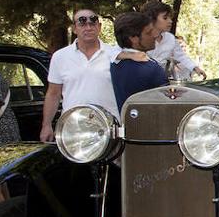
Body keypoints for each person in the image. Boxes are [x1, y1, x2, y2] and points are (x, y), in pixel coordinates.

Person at [40, 8, 146, 140]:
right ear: (74, 29)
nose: (88, 27)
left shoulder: (115, 54)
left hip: (109, 129)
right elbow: (53, 94)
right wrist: (46, 125)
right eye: (82, 24)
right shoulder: (60, 57)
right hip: (74, 130)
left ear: (99, 27)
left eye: (93, 23)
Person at [110, 12, 169, 109]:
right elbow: (167, 105)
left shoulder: (111, 63)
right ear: (133, 38)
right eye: (149, 32)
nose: (154, 35)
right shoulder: (151, 69)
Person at [142, 1, 205, 80]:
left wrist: (195, 68)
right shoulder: (138, 38)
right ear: (151, 19)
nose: (170, 21)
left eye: (170, 18)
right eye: (165, 18)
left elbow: (181, 56)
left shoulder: (170, 39)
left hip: (159, 81)